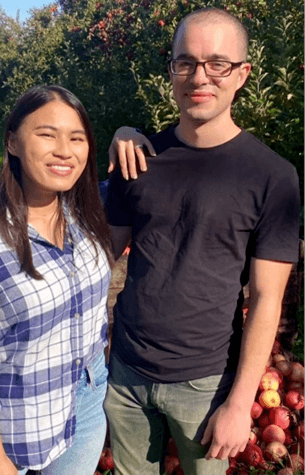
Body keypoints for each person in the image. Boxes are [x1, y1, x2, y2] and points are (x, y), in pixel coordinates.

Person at [104, 8, 300, 475]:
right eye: (185, 62)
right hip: (126, 377)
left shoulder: (273, 177)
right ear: (170, 69)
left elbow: (268, 300)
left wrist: (239, 403)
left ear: (242, 74)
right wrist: (115, 139)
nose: (199, 77)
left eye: (218, 64)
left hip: (206, 387)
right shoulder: (140, 161)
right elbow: (96, 258)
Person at [0, 85, 114, 475]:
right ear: (12, 142)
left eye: (77, 138)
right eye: (46, 135)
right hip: (12, 430)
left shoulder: (81, 215)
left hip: (83, 407)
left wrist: (128, 136)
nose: (64, 151)